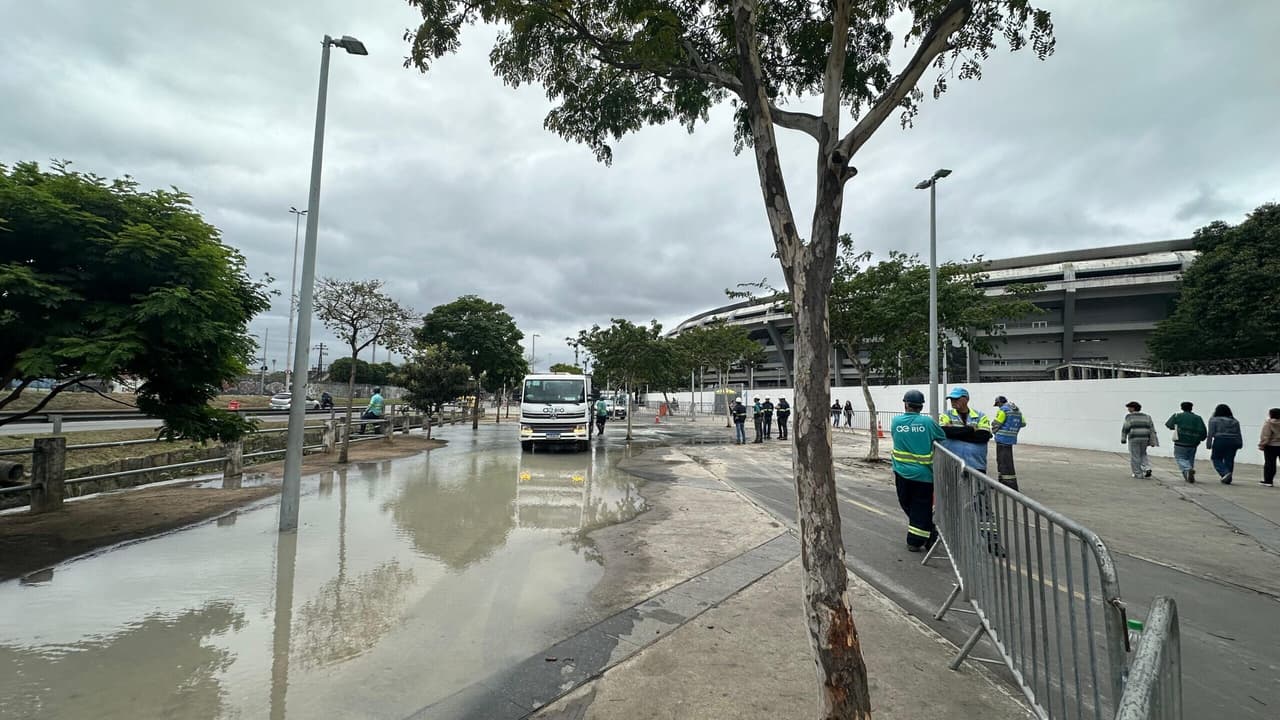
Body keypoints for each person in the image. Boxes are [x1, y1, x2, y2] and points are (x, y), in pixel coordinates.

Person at [891, 389, 946, 552]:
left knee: (908, 504)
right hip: (924, 475)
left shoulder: (896, 422)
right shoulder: (928, 423)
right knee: (920, 507)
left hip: (901, 472)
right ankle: (928, 535)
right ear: (921, 406)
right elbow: (941, 436)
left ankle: (915, 541)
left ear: (906, 404)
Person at [939, 387, 992, 473]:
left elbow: (984, 436)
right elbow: (944, 431)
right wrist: (970, 429)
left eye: (956, 399)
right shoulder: (946, 414)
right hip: (952, 464)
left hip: (976, 464)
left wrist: (955, 433)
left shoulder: (980, 416)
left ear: (966, 399)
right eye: (951, 399)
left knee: (977, 486)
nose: (953, 401)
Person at [990, 395, 1027, 490]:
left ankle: (1007, 485)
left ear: (999, 403)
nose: (998, 407)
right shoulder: (1016, 411)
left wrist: (994, 431)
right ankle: (1004, 484)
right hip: (1011, 439)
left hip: (1002, 439)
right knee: (1007, 461)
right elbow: (1023, 423)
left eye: (998, 404)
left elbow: (996, 423)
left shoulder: (1003, 410)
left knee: (1003, 462)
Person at [1165, 401, 1207, 483]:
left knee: (1180, 457)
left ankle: (1188, 470)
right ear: (1191, 408)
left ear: (1181, 408)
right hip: (1193, 443)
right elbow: (1203, 431)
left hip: (1180, 441)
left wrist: (1176, 427)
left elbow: (1169, 425)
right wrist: (1201, 439)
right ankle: (1188, 475)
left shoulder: (1177, 416)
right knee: (1190, 459)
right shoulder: (1198, 418)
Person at [1206, 404, 1244, 484]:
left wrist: (1208, 443)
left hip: (1220, 440)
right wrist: (1240, 443)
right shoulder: (1235, 421)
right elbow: (1238, 433)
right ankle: (1228, 477)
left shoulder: (1214, 420)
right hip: (1233, 441)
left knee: (1216, 458)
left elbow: (1211, 433)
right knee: (1229, 459)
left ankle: (1225, 473)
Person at [1120, 401, 1158, 479]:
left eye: (1129, 407)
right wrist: (1153, 440)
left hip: (1134, 438)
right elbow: (1151, 429)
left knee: (1135, 456)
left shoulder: (1129, 417)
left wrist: (1123, 438)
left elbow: (1126, 428)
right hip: (1145, 438)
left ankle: (1138, 474)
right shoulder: (1147, 417)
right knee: (1143, 454)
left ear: (1133, 408)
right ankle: (1147, 468)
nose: (1128, 409)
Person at [1260, 408, 1280, 487]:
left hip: (1271, 446)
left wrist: (1262, 444)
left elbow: (1266, 435)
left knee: (1270, 464)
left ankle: (1268, 481)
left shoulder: (1269, 423)